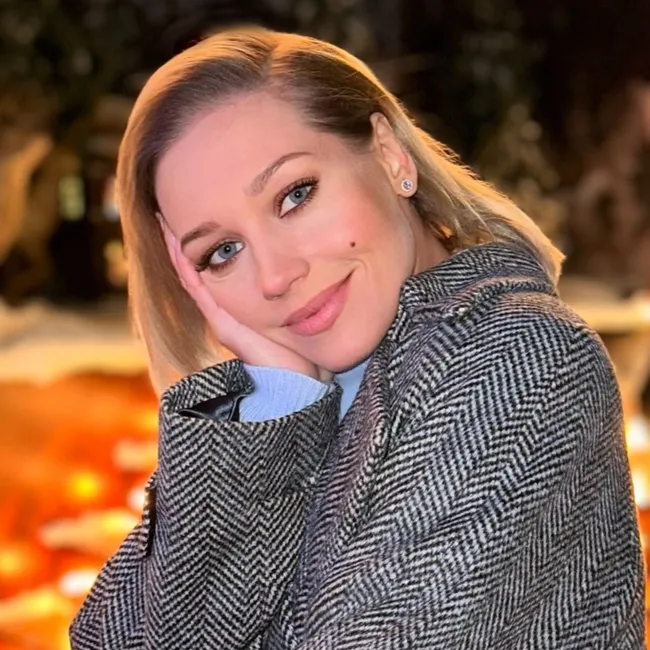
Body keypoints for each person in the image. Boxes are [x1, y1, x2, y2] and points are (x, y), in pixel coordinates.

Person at [69, 27, 644, 649]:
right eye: (222, 251)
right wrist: (277, 400)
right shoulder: (293, 404)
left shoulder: (521, 355)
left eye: (295, 196)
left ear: (391, 156)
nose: (275, 276)